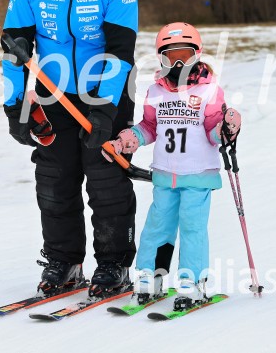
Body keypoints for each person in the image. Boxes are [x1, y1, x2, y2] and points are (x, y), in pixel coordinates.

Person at [1, 0, 139, 296]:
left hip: (108, 91)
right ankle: (65, 261)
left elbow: (120, 50)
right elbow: (14, 50)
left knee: (106, 181)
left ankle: (114, 266)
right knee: (55, 181)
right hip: (53, 94)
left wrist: (105, 109)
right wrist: (13, 105)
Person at [103, 22, 242, 309]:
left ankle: (192, 283)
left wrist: (227, 128)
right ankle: (150, 278)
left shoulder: (210, 91)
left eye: (184, 54)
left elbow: (214, 131)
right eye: (170, 55)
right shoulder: (156, 91)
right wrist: (126, 140)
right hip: (165, 176)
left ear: (197, 54)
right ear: (161, 58)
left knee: (192, 228)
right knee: (157, 226)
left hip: (197, 174)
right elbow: (149, 127)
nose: (178, 62)